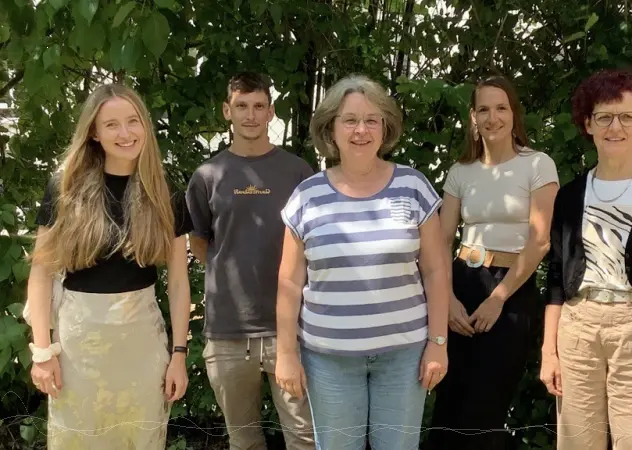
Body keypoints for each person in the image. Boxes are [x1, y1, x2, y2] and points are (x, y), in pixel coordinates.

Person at [274, 74, 450, 450]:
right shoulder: (307, 196)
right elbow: (289, 284)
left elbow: (436, 272)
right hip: (328, 360)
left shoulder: (414, 187)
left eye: (372, 120)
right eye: (349, 120)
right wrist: (287, 354)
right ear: (330, 129)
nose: (361, 130)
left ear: (385, 128)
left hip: (404, 357)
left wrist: (438, 342)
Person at [26, 83, 192, 449]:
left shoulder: (165, 192)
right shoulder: (65, 186)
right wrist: (42, 352)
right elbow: (40, 273)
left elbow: (179, 282)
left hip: (142, 345)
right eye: (112, 124)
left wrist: (179, 355)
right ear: (94, 133)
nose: (125, 133)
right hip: (77, 348)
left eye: (133, 121)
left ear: (145, 127)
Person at [542, 69, 632, 450]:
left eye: (627, 116)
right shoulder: (571, 194)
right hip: (578, 329)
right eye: (604, 116)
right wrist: (549, 351)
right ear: (588, 123)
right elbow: (556, 278)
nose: (615, 127)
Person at [425, 75, 559, 450]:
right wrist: (447, 298)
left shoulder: (538, 165)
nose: (492, 117)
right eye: (483, 109)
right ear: (473, 117)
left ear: (514, 115)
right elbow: (441, 239)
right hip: (461, 285)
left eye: (501, 108)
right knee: (448, 406)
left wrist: (498, 298)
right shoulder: (461, 171)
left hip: (511, 291)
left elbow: (540, 240)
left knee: (484, 412)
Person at [185, 72, 316, 450]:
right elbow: (199, 242)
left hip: (289, 328)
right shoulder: (208, 175)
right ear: (227, 110)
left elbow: (312, 242)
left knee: (304, 436)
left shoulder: (298, 172)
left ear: (271, 112)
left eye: (259, 106)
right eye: (241, 106)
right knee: (243, 440)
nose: (250, 115)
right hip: (228, 330)